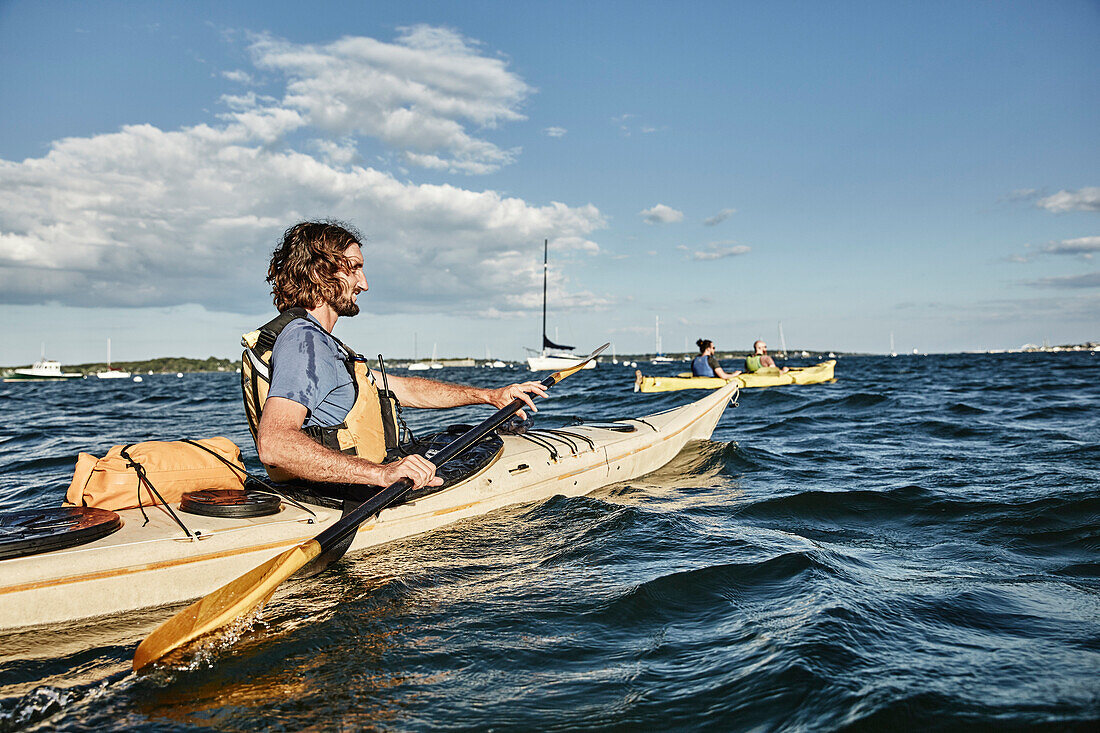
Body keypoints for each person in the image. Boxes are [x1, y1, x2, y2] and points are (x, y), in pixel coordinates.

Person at [241, 221, 547, 492]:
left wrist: (490, 395)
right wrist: (383, 474)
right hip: (339, 496)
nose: (364, 283)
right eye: (354, 268)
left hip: (344, 485)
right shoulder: (304, 342)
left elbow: (404, 389)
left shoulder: (320, 343)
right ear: (321, 272)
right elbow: (275, 444)